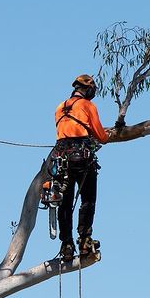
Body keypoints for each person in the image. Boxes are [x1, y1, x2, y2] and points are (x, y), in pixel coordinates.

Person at [53, 74, 108, 261]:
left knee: (65, 203)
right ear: (87, 88)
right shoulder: (88, 106)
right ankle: (84, 240)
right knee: (88, 200)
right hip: (82, 159)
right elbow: (101, 136)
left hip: (61, 159)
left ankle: (66, 244)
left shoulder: (60, 107)